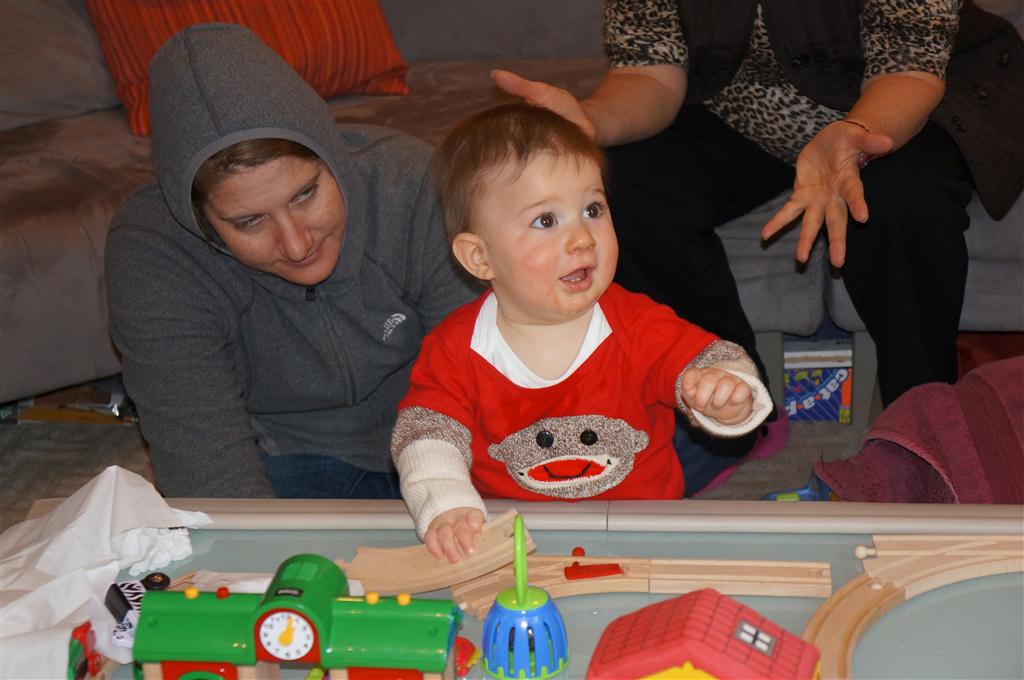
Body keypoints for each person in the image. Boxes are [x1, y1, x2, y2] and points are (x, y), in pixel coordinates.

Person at [491, 0, 1024, 408]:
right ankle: (731, 396)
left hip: (906, 108)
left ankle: (925, 420)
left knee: (896, 197)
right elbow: (650, 72)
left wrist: (852, 137)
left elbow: (906, 71)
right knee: (617, 184)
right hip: (744, 119)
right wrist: (593, 122)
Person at [104, 24, 478, 498]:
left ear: (332, 157)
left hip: (439, 434)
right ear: (201, 221)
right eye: (250, 221)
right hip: (282, 456)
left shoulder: (413, 184)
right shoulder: (153, 252)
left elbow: (483, 376)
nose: (297, 245)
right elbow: (207, 467)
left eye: (305, 194)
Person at [391, 104, 773, 562]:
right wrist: (447, 504)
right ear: (480, 258)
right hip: (514, 549)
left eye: (593, 209)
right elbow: (426, 433)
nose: (582, 239)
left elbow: (710, 357)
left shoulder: (635, 324)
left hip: (644, 536)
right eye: (546, 221)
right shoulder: (454, 349)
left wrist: (726, 390)